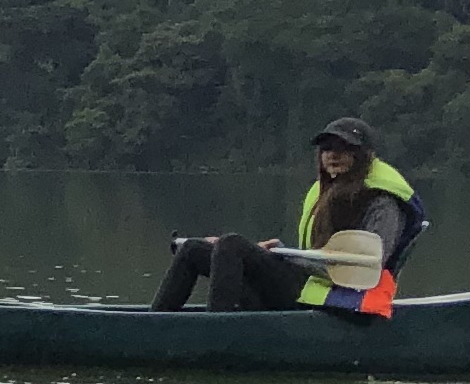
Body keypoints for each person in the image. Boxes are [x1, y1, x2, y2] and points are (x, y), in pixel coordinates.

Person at [153, 116, 423, 315]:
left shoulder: (383, 202)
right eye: (327, 148)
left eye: (343, 148)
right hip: (311, 288)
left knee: (232, 245)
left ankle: (216, 336)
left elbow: (365, 268)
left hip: (344, 302)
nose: (332, 155)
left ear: (363, 156)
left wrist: (283, 255)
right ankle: (155, 325)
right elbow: (320, 258)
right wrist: (280, 252)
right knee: (193, 250)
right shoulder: (328, 192)